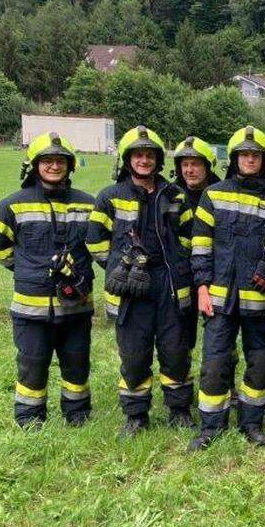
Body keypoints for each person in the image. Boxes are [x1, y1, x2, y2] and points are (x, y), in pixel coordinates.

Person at [188, 126, 265, 451]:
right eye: (244, 154)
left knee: (259, 363)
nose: (250, 159)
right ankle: (211, 426)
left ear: (263, 160)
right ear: (234, 159)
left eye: (255, 155)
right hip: (219, 300)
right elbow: (201, 245)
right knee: (215, 363)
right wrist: (202, 287)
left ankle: (251, 423)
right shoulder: (213, 194)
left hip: (260, 301)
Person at [87, 126, 194, 437]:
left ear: (158, 160)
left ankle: (179, 410)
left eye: (149, 155)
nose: (144, 160)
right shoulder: (109, 197)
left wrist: (176, 264)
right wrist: (118, 268)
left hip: (170, 286)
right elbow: (95, 241)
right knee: (134, 355)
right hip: (131, 290)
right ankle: (136, 416)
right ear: (127, 159)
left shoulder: (176, 195)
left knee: (175, 352)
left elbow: (189, 238)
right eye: (138, 155)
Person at [0, 133, 96, 429]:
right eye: (47, 160)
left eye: (60, 161)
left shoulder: (89, 205)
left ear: (70, 166)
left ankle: (78, 416)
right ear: (34, 165)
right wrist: (27, 270)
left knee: (77, 364)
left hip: (76, 306)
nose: (54, 166)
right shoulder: (11, 206)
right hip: (30, 311)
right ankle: (30, 420)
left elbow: (99, 246)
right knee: (32, 365)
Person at [171, 136, 219, 358]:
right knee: (181, 335)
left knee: (220, 334)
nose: (189, 170)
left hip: (217, 275)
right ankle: (181, 378)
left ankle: (224, 382)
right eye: (185, 165)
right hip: (181, 276)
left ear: (207, 166)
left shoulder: (223, 195)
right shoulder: (169, 197)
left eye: (195, 164)